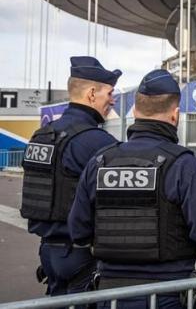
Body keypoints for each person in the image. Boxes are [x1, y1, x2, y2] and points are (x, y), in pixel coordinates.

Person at [69, 69, 196, 308]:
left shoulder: (100, 161)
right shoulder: (185, 166)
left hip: (108, 295)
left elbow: (78, 231)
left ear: (135, 112)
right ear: (175, 115)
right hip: (167, 293)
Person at [20, 56, 121, 296]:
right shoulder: (97, 142)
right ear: (92, 93)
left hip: (48, 252)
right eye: (109, 94)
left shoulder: (42, 136)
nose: (113, 100)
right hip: (82, 256)